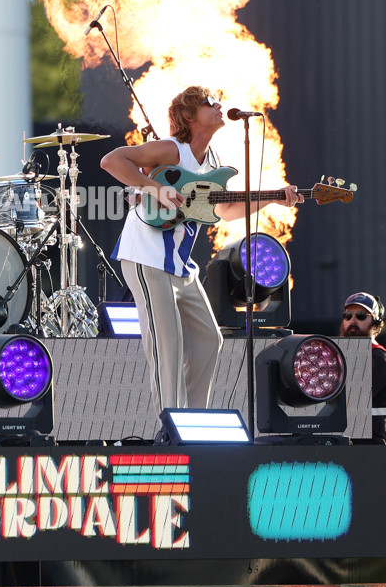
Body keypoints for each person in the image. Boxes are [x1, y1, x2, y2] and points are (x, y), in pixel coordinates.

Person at [100, 85, 303, 415]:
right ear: (189, 115)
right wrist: (156, 188)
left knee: (210, 340)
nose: (219, 106)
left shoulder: (213, 163)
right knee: (168, 345)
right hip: (146, 257)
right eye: (211, 103)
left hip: (180, 267)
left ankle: (193, 420)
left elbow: (225, 211)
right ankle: (172, 426)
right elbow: (112, 160)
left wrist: (273, 197)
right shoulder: (171, 149)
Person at [339, 292, 386, 443]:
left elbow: (351, 398)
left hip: (370, 447)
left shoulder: (377, 357)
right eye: (347, 316)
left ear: (376, 322)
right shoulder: (341, 357)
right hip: (347, 445)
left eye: (360, 315)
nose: (352, 321)